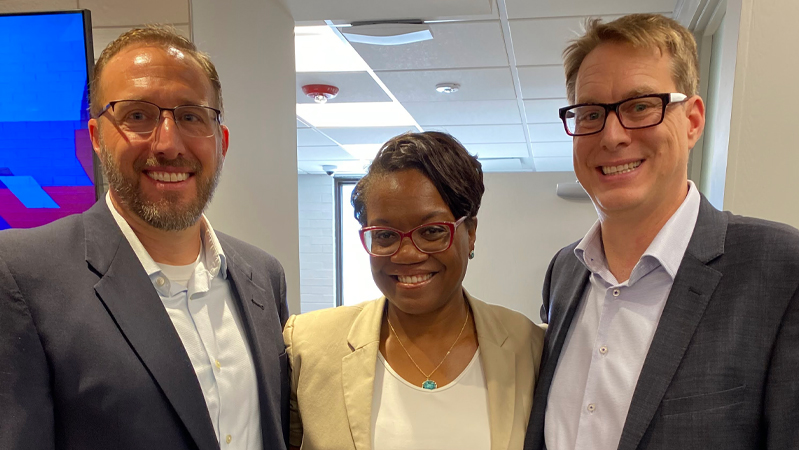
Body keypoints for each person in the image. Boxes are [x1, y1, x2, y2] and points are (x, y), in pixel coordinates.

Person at [0, 27, 289, 450]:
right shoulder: (22, 274)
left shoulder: (263, 275)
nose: (169, 144)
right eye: (138, 115)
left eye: (191, 116)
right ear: (97, 138)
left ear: (220, 142)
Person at [523, 13, 799, 450]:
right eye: (591, 112)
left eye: (640, 106)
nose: (612, 136)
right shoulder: (565, 271)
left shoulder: (780, 267)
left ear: (691, 121)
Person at [283, 131, 544, 450]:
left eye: (432, 231)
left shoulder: (528, 348)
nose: (406, 254)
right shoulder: (308, 348)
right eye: (385, 235)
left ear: (471, 232)